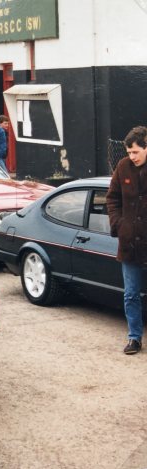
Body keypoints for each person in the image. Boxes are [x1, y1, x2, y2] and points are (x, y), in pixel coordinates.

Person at [106, 126, 147, 355]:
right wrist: (119, 224)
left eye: (135, 152)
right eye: (129, 152)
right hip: (130, 240)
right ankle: (134, 338)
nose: (131, 157)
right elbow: (112, 198)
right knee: (131, 293)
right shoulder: (123, 167)